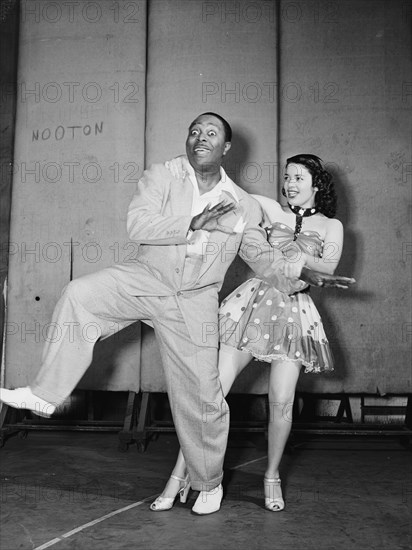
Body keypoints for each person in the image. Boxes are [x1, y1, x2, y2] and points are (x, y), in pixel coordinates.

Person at [0, 114, 353, 516]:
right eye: (195, 131)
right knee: (80, 293)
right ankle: (45, 394)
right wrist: (192, 222)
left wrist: (302, 273)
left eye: (212, 133)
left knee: (203, 397)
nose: (201, 137)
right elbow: (138, 223)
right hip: (148, 277)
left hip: (194, 299)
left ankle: (208, 483)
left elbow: (260, 256)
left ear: (226, 148)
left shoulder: (244, 204)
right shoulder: (162, 176)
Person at [155, 152, 353, 513]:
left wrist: (290, 258)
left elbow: (326, 268)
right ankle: (180, 474)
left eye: (298, 178)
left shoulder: (331, 226)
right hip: (252, 307)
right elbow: (229, 195)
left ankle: (272, 476)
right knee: (211, 394)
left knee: (281, 401)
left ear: (316, 184)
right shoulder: (267, 208)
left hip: (295, 315)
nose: (290, 184)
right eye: (288, 177)